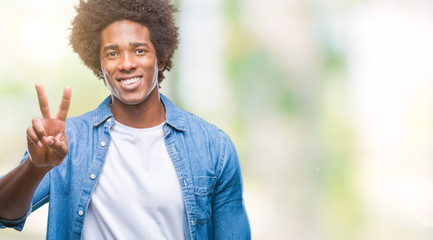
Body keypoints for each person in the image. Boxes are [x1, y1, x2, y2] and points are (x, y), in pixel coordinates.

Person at [0, 0, 251, 239]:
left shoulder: (214, 148)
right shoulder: (66, 142)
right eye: (112, 53)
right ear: (99, 65)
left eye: (139, 50)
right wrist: (35, 167)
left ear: (161, 58)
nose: (127, 64)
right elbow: (4, 213)